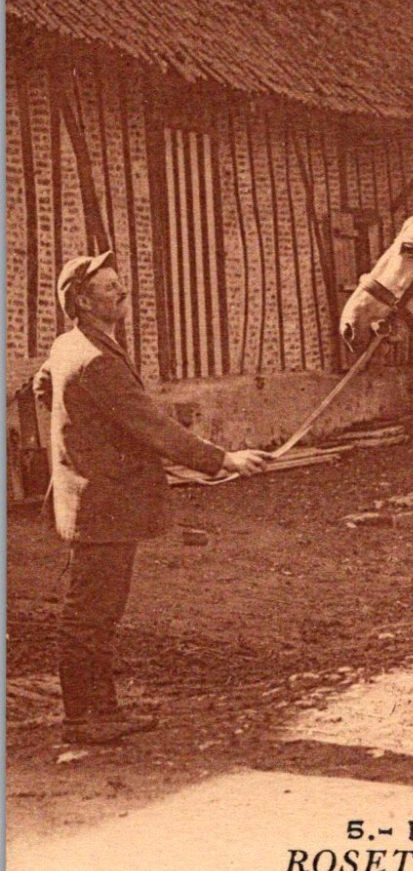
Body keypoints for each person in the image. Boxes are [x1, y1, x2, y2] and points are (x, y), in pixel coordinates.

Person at [31, 252, 273, 745]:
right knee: (91, 614)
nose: (122, 292)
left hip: (90, 498)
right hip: (104, 504)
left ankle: (99, 711)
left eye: (119, 284)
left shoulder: (67, 346)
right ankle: (84, 718)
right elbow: (151, 425)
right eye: (109, 288)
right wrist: (223, 459)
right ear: (82, 300)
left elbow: (41, 387)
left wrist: (83, 438)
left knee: (94, 610)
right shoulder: (96, 359)